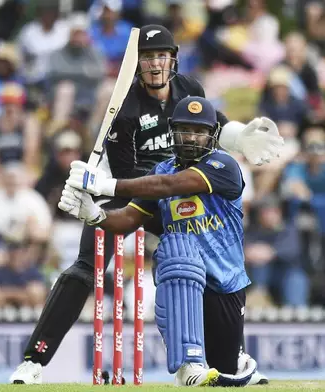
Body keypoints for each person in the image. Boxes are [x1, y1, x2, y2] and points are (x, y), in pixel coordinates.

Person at [9, 24, 281, 384]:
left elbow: (212, 126)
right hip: (127, 190)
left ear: (173, 61)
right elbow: (127, 177)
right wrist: (99, 203)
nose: (155, 65)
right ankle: (34, 361)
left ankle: (231, 353)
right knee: (84, 270)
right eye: (148, 57)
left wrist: (239, 136)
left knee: (211, 256)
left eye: (161, 57)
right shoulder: (125, 108)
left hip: (179, 189)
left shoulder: (190, 89)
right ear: (137, 65)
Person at [59, 96, 264, 386]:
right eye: (185, 129)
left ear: (212, 135)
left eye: (199, 131)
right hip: (183, 278)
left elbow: (172, 185)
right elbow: (128, 220)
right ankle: (189, 362)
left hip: (226, 284)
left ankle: (239, 364)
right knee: (177, 249)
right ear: (172, 131)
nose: (192, 137)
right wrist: (93, 214)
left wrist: (105, 184)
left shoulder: (223, 165)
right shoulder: (162, 169)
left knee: (223, 371)